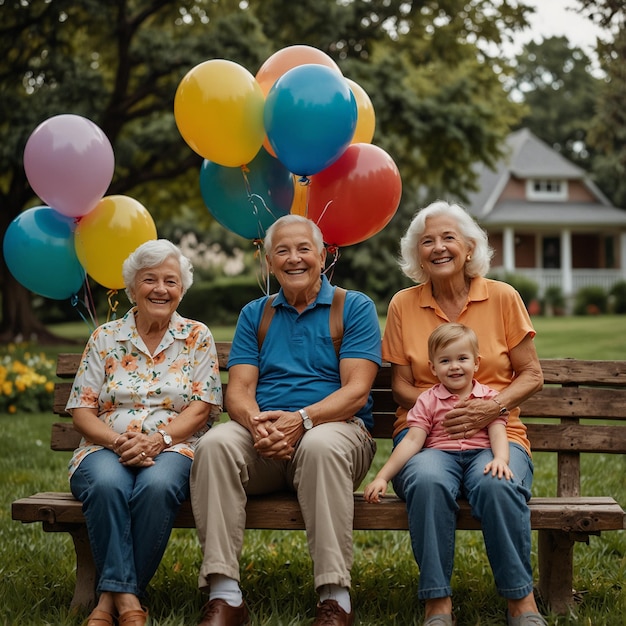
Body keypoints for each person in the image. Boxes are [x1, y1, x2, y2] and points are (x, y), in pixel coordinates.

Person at [190, 214, 381, 626]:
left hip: (338, 434)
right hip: (265, 439)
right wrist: (258, 425)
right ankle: (225, 595)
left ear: (323, 256)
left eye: (304, 249)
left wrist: (301, 421)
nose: (294, 259)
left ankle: (335, 598)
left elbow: (356, 392)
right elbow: (238, 391)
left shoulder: (355, 307)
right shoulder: (254, 314)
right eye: (283, 251)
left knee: (319, 445)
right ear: (269, 262)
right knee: (215, 444)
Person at [382, 201, 546, 626]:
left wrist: (489, 408)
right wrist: (434, 407)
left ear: (469, 248)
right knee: (429, 480)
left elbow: (531, 375)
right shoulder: (403, 305)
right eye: (427, 241)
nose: (438, 248)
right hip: (425, 435)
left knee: (496, 484)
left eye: (448, 238)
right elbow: (399, 384)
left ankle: (520, 601)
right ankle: (437, 604)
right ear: (417, 255)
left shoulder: (503, 297)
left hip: (496, 432)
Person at [66, 239, 222, 626]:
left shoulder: (197, 337)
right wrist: (118, 441)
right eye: (149, 279)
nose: (160, 289)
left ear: (181, 290)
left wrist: (159, 439)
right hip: (104, 447)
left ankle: (108, 599)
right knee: (105, 485)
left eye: (170, 281)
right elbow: (82, 411)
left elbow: (203, 406)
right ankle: (129, 601)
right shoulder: (105, 338)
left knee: (156, 487)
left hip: (174, 448)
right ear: (132, 287)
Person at [364, 322, 513, 508]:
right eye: (445, 361)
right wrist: (382, 477)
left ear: (476, 363)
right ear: (433, 368)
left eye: (462, 359)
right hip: (440, 455)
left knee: (494, 479)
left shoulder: (488, 398)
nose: (454, 366)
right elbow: (412, 441)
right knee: (430, 476)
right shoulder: (427, 400)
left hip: (480, 454)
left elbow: (498, 433)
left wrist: (500, 459)